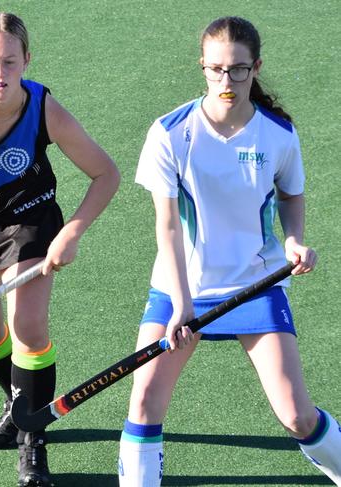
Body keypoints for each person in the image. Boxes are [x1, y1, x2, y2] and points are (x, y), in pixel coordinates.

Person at [118, 16, 341, 487]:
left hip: (252, 287)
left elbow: (291, 194)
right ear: (202, 67)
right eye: (216, 69)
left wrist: (294, 239)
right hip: (182, 288)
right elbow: (168, 229)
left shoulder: (278, 134)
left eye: (238, 69)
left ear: (255, 67)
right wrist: (180, 304)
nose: (227, 81)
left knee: (298, 417)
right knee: (143, 402)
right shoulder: (169, 133)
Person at [0, 12, 120, 487]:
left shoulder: (43, 108)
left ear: (26, 61)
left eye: (9, 61)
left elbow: (105, 173)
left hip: (31, 222)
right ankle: (20, 407)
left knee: (28, 327)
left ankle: (34, 444)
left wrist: (71, 231)